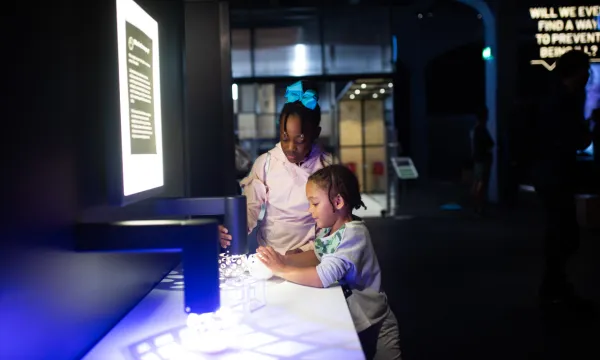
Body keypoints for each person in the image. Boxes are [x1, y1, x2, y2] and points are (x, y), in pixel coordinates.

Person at [257, 165, 402, 360]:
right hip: (354, 323)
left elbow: (322, 276)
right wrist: (284, 259)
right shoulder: (330, 230)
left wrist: (281, 269)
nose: (310, 210)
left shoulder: (353, 235)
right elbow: (318, 254)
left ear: (338, 201)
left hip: (376, 324)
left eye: (314, 203)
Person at [219, 80, 332, 254]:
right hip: (270, 253)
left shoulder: (327, 166)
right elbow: (250, 209)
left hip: (312, 254)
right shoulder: (266, 163)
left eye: (300, 140)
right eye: (285, 138)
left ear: (315, 133)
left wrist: (306, 250)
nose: (291, 147)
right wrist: (231, 231)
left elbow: (332, 223)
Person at [532, 50, 592, 311]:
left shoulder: (551, 98)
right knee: (564, 232)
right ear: (576, 71)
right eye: (585, 69)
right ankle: (554, 287)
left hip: (549, 174)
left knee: (560, 231)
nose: (588, 75)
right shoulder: (565, 101)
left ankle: (554, 286)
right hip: (557, 175)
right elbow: (577, 139)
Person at [470, 106, 494, 215]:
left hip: (478, 159)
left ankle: (477, 206)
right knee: (480, 183)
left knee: (477, 183)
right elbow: (490, 143)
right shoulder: (481, 129)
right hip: (482, 160)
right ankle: (478, 207)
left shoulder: (476, 129)